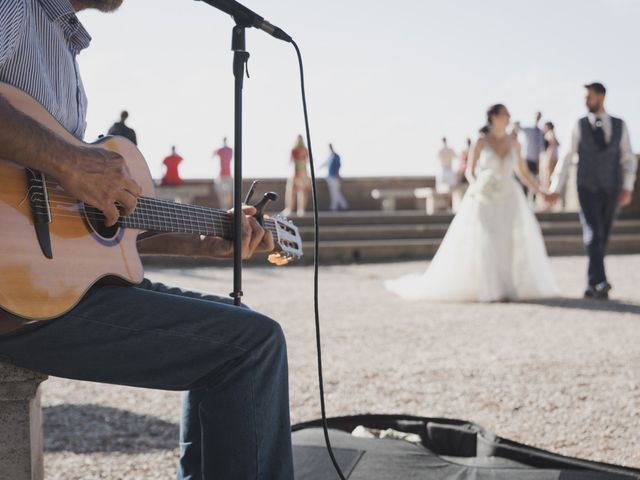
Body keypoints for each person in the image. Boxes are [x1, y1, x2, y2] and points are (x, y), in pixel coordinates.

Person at [0, 2, 294, 479]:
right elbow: (63, 174)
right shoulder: (16, 7)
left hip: (47, 292)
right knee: (253, 344)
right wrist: (68, 161)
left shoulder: (60, 40)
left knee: (240, 330)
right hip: (19, 304)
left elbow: (78, 227)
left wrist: (205, 240)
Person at [386, 104, 558, 302]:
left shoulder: (514, 142)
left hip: (509, 196)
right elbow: (470, 170)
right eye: (505, 113)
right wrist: (478, 184)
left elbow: (522, 171)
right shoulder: (481, 141)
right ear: (493, 117)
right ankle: (491, 289)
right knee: (488, 240)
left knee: (508, 241)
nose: (509, 116)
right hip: (485, 197)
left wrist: (541, 191)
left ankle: (507, 286)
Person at [548, 82, 637, 300]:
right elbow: (567, 156)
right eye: (585, 97)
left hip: (612, 187)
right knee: (593, 233)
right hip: (586, 186)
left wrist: (627, 187)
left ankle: (591, 284)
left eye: (589, 97)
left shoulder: (620, 125)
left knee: (603, 235)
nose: (586, 101)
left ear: (601, 97)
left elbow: (628, 158)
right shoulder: (578, 125)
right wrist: (555, 188)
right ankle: (602, 281)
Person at [517, 112, 545, 197]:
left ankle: (533, 200)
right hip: (527, 159)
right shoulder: (529, 130)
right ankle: (524, 198)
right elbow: (519, 128)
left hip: (536, 160)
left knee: (535, 180)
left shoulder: (541, 133)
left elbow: (541, 148)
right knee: (525, 179)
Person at [283, 134, 311, 217]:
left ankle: (290, 209)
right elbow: (307, 160)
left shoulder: (294, 149)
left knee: (292, 192)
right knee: (302, 192)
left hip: (296, 172)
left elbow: (290, 161)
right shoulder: (305, 149)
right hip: (303, 172)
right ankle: (300, 210)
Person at [323, 143, 348, 211]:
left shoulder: (336, 156)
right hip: (330, 177)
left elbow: (338, 166)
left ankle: (335, 207)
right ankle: (343, 206)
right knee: (335, 193)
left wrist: (337, 174)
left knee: (335, 193)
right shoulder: (330, 157)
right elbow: (326, 164)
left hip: (335, 177)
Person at [540, 121, 560, 196]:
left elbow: (554, 144)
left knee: (548, 178)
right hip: (553, 157)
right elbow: (558, 143)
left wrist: (548, 158)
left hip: (550, 158)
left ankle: (549, 195)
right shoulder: (551, 134)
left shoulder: (549, 134)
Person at [213, 136, 233, 209]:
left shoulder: (222, 150)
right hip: (225, 174)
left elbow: (213, 154)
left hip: (224, 174)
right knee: (225, 192)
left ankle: (225, 207)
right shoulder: (229, 149)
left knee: (226, 192)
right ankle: (225, 207)